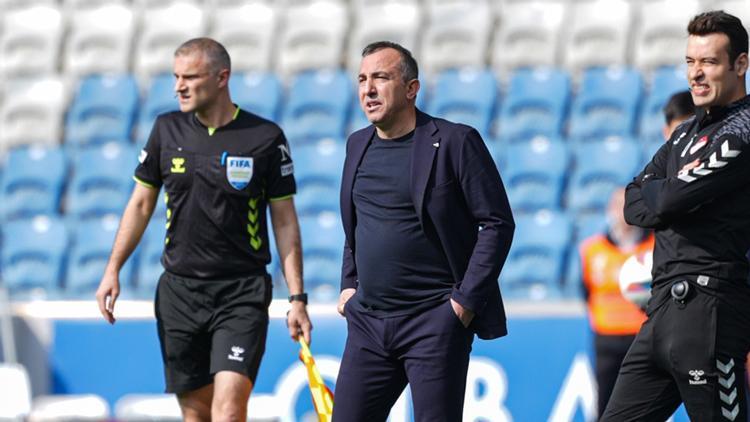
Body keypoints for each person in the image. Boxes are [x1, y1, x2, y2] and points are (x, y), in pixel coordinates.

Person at [94, 38, 312, 422]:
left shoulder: (264, 137)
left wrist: (297, 297)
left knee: (228, 410)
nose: (178, 86)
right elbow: (141, 204)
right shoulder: (166, 130)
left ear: (221, 78)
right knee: (196, 415)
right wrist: (113, 269)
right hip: (179, 294)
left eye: (190, 77)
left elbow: (284, 219)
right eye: (176, 77)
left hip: (241, 293)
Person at [332, 41, 515, 422]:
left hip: (433, 321)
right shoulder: (356, 144)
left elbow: (497, 222)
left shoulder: (455, 141)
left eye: (381, 78)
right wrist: (349, 285)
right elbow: (357, 222)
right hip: (368, 323)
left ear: (412, 88)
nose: (368, 89)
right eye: (362, 79)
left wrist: (463, 303)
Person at [602, 11, 750, 421]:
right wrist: (670, 193)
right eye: (690, 62)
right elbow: (634, 202)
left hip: (710, 310)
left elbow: (665, 201)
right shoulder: (684, 133)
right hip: (659, 311)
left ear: (740, 64)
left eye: (709, 62)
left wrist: (667, 192)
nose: (696, 74)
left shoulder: (743, 130)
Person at [579, 188, 654, 418]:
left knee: (642, 404)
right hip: (606, 337)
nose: (623, 212)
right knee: (605, 401)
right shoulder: (592, 249)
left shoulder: (654, 246)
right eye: (618, 205)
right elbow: (586, 290)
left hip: (642, 337)